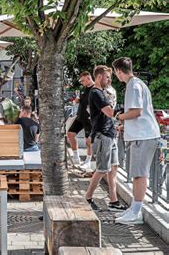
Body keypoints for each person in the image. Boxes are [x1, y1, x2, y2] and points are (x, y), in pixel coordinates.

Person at [112, 57, 160, 225]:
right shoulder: (137, 83)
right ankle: (134, 208)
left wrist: (118, 116)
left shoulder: (133, 85)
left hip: (143, 136)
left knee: (139, 175)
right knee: (137, 174)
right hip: (143, 134)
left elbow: (136, 112)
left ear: (118, 71)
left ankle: (136, 211)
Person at [84, 65, 126, 212]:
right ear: (100, 77)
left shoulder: (101, 92)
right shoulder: (96, 92)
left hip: (110, 133)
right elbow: (109, 112)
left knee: (113, 168)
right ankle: (87, 198)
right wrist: (127, 114)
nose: (109, 80)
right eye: (107, 77)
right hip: (102, 135)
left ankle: (113, 201)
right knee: (102, 169)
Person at [67, 71, 94, 168]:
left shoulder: (94, 89)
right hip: (80, 116)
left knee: (88, 141)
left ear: (88, 78)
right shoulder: (84, 89)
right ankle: (76, 156)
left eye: (83, 80)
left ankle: (88, 160)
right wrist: (78, 100)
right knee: (70, 134)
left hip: (89, 118)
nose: (82, 82)